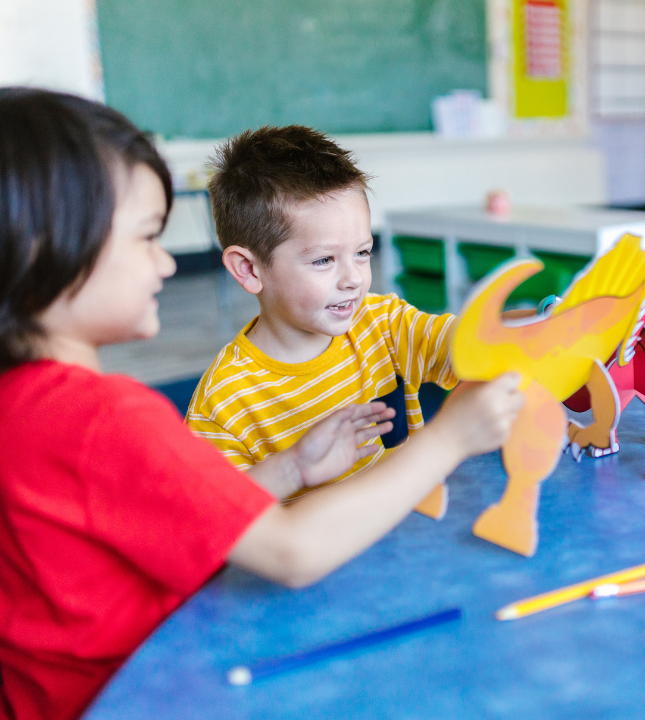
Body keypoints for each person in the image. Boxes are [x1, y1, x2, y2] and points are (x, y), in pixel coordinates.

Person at [0, 88, 522, 720]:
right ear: (44, 248)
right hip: (134, 698)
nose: (167, 264)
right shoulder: (104, 419)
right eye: (145, 238)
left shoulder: (21, 402)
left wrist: (290, 469)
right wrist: (451, 437)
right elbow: (290, 552)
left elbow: (184, 522)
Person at [185, 126, 458, 504]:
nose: (354, 279)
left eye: (362, 253)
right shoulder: (223, 404)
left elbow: (469, 339)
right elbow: (216, 516)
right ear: (249, 269)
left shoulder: (383, 322)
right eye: (324, 260)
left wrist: (532, 321)